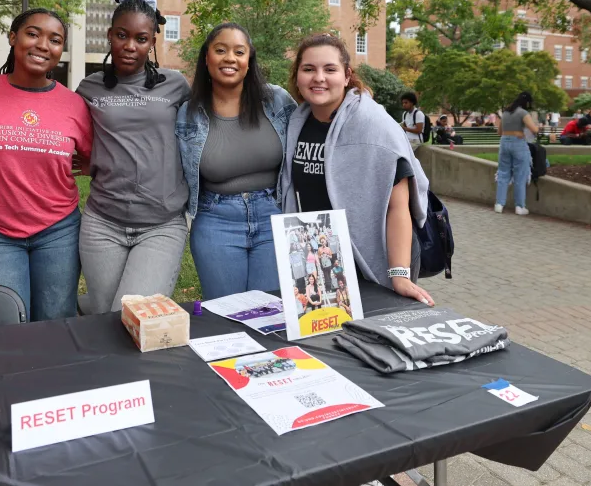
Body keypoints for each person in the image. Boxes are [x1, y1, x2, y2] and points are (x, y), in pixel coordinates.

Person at [279, 33, 434, 305]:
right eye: (308, 69)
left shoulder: (374, 125)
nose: (318, 77)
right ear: (297, 76)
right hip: (322, 261)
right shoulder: (297, 123)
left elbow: (398, 206)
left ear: (347, 75)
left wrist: (399, 274)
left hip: (373, 261)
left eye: (330, 69)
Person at [0, 9, 93, 321]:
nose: (43, 45)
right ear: (13, 38)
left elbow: (90, 158)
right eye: (33, 34)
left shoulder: (74, 104)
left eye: (55, 39)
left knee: (55, 322)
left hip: (58, 231)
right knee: (2, 323)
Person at [76, 0, 191, 314]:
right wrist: (88, 158)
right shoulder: (89, 87)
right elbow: (72, 131)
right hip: (102, 224)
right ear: (110, 35)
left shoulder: (175, 85)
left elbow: (201, 131)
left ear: (152, 42)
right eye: (122, 36)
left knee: (132, 319)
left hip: (161, 225)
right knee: (105, 319)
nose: (130, 46)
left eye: (141, 38)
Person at [176, 23, 296, 299]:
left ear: (248, 60)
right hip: (216, 222)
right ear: (207, 58)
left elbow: (313, 129)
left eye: (239, 52)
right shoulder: (188, 114)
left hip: (274, 216)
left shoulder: (276, 100)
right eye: (221, 50)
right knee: (225, 317)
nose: (230, 58)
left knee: (270, 314)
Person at [495, 91, 538, 215]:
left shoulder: (506, 112)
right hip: (518, 144)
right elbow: (534, 129)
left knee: (503, 173)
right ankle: (520, 206)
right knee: (520, 175)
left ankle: (499, 204)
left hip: (504, 143)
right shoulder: (523, 113)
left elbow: (499, 132)